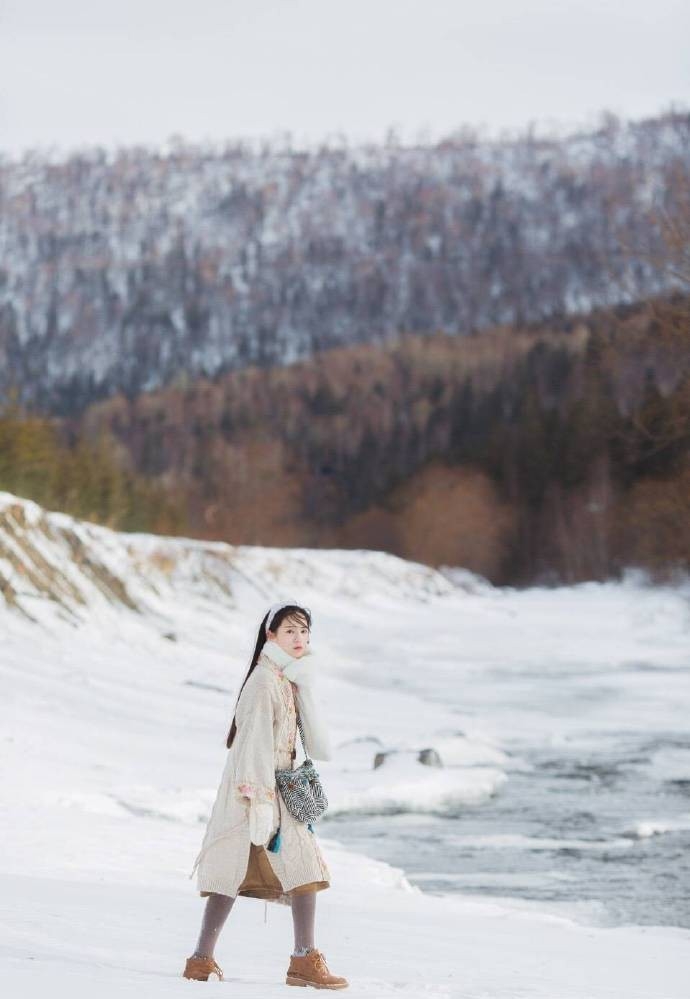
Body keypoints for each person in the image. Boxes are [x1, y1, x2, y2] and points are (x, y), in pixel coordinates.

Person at [182, 600, 348, 989]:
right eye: (290, 631)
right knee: (246, 873)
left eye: (304, 631)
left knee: (276, 871)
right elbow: (252, 746)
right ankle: (298, 960)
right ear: (270, 635)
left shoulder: (288, 678)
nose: (299, 638)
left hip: (279, 788)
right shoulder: (264, 682)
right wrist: (258, 801)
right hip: (256, 791)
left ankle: (206, 959)